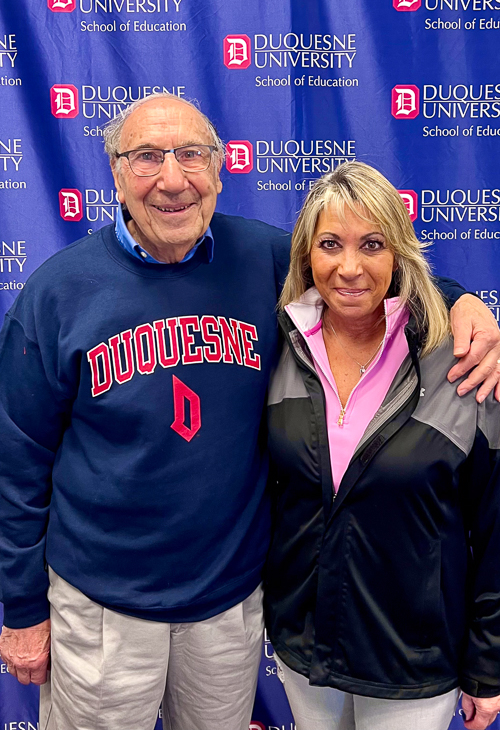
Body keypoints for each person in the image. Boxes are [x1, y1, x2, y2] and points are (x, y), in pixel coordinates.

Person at [0, 95, 498, 730]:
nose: (172, 179)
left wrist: (464, 304)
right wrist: (21, 609)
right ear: (117, 172)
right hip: (101, 608)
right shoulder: (56, 293)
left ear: (220, 167)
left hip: (229, 607)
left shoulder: (266, 261)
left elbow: (366, 274)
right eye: (147, 157)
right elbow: (17, 464)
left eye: (192, 156)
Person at [264, 161, 500, 730]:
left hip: (414, 660)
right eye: (330, 245)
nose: (350, 267)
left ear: (398, 254)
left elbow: (494, 526)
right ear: (306, 256)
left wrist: (488, 664)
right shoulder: (280, 347)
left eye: (372, 244)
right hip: (304, 649)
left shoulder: (463, 363)